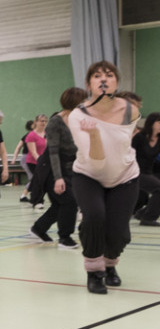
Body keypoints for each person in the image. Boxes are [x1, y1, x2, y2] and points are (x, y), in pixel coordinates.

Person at [68, 61, 140, 294]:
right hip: (89, 174)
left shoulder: (130, 110)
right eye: (97, 75)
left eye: (109, 75)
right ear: (88, 83)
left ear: (116, 82)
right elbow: (95, 161)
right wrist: (95, 135)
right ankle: (94, 272)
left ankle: (110, 265)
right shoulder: (78, 116)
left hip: (125, 175)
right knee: (94, 217)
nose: (103, 79)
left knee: (118, 231)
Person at [29, 88, 85, 249]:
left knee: (59, 204)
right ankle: (64, 238)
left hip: (69, 167)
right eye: (82, 101)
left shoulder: (78, 119)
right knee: (69, 200)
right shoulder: (56, 122)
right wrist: (58, 178)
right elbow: (53, 151)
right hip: (51, 168)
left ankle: (38, 229)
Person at [131, 111, 160, 227]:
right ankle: (148, 218)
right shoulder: (140, 137)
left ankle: (141, 213)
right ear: (152, 123)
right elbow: (129, 154)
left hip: (148, 172)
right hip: (135, 171)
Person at [18, 115, 48, 206]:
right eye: (41, 121)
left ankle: (34, 199)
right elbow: (33, 152)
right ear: (36, 122)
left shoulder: (47, 134)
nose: (43, 123)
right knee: (38, 180)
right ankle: (38, 201)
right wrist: (41, 162)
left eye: (45, 121)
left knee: (40, 181)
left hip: (43, 161)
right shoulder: (31, 135)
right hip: (33, 162)